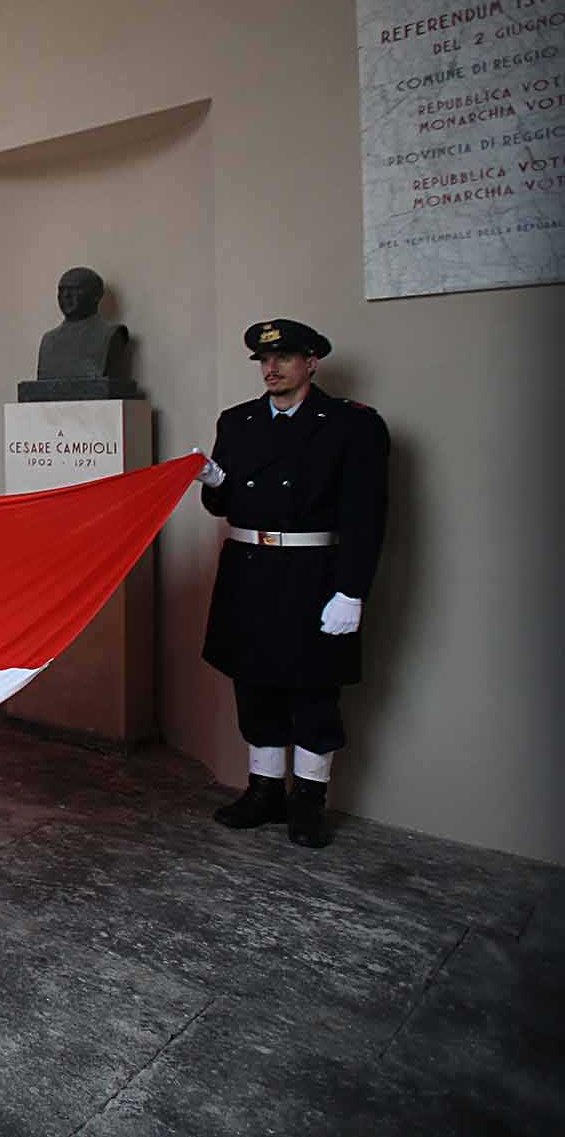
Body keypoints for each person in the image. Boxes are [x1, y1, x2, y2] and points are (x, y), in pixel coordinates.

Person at [195, 318, 389, 849]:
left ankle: (308, 801)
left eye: (283, 359)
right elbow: (223, 505)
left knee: (312, 693)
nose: (271, 369)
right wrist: (216, 483)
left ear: (311, 363)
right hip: (250, 570)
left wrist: (352, 591)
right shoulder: (237, 422)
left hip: (313, 575)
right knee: (254, 686)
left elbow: (365, 517)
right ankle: (263, 792)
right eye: (263, 361)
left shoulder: (351, 425)